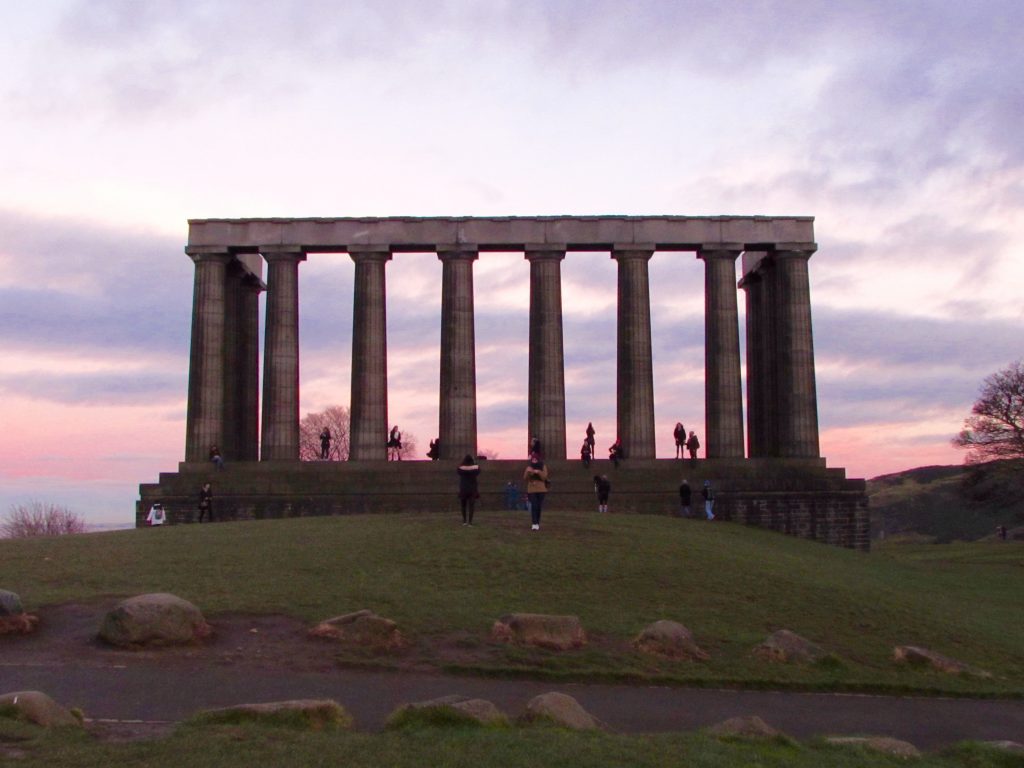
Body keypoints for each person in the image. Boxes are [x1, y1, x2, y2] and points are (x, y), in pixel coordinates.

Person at [523, 453, 549, 531]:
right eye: (533, 460)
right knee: (534, 506)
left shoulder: (543, 466)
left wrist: (538, 472)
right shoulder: (529, 467)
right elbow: (525, 478)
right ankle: (534, 523)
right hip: (532, 489)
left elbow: (544, 477)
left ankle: (537, 522)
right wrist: (528, 472)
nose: (534, 461)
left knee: (538, 507)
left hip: (541, 489)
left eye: (535, 460)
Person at [457, 454, 481, 526]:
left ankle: (464, 521)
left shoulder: (461, 468)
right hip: (472, 489)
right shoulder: (476, 468)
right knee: (471, 506)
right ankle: (470, 522)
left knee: (463, 506)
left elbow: (458, 471)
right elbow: (478, 471)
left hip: (463, 489)